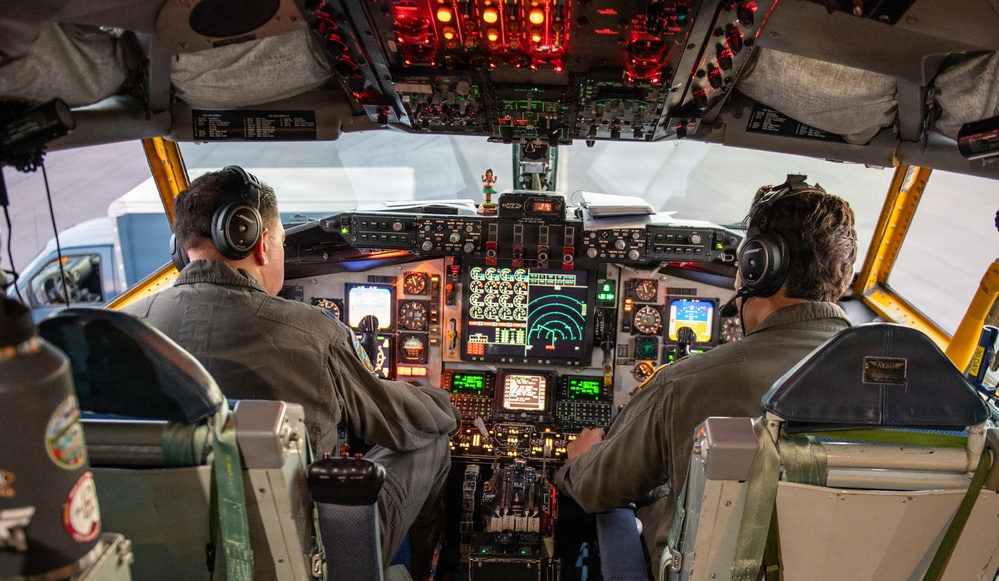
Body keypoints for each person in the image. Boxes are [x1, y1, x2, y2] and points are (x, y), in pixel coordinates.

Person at [121, 166, 459, 578]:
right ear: (260, 244)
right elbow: (398, 423)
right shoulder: (312, 333)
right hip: (307, 557)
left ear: (179, 249)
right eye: (282, 240)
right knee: (429, 441)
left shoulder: (124, 333)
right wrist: (443, 403)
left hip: (168, 554)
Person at [555, 175, 856, 577]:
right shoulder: (926, 393)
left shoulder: (687, 384)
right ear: (843, 277)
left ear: (757, 265)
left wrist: (582, 458)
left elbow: (599, 488)